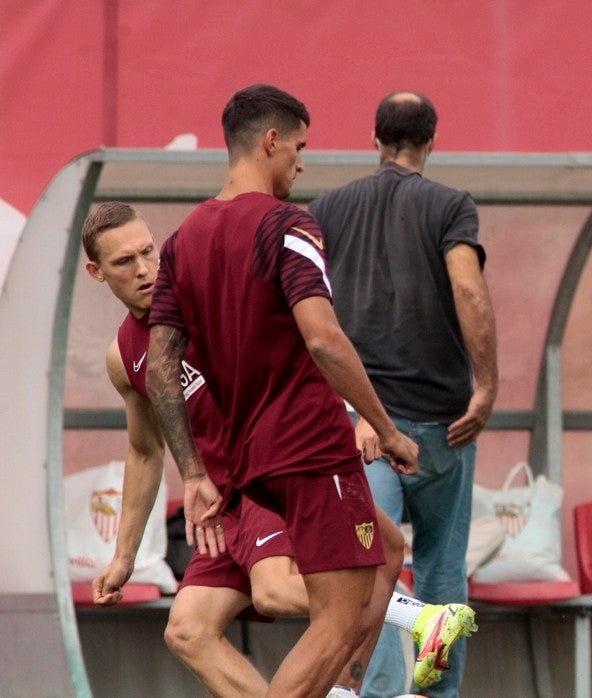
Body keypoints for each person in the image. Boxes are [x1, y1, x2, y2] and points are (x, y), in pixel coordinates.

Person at [146, 84, 465, 698]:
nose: (302, 162)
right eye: (298, 147)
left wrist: (191, 470)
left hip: (249, 461)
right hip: (310, 446)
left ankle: (380, 660)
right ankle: (416, 628)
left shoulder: (182, 241)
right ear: (271, 142)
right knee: (342, 616)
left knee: (384, 553)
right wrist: (388, 427)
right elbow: (324, 340)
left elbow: (162, 367)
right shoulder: (288, 223)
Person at [83, 202, 470, 696]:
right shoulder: (123, 357)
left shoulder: (201, 300)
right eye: (124, 262)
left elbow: (299, 346)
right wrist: (124, 557)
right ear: (97, 272)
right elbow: (144, 451)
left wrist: (356, 418)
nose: (144, 270)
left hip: (266, 477)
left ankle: (417, 621)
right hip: (221, 508)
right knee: (188, 630)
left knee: (289, 584)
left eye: (148, 252)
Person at [309, 90, 498, 698]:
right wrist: (487, 385)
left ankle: (381, 695)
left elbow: (307, 312)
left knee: (370, 570)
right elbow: (469, 292)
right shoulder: (449, 205)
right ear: (431, 141)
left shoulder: (329, 208)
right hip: (445, 424)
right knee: (443, 573)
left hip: (364, 423)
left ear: (375, 139)